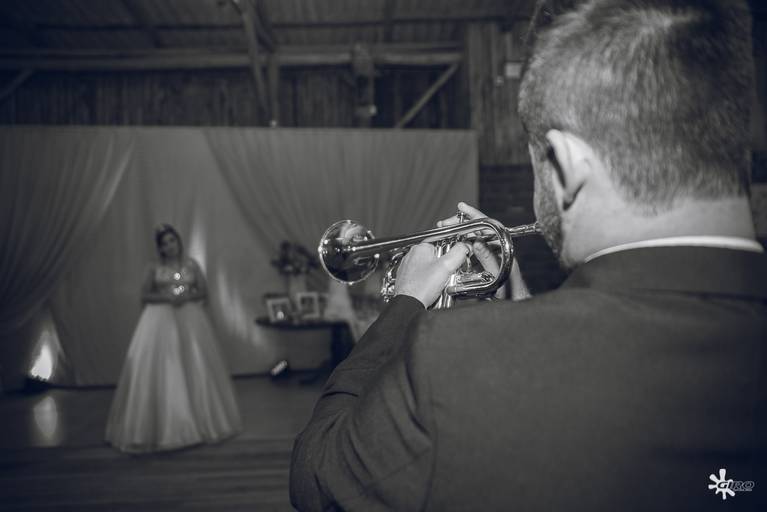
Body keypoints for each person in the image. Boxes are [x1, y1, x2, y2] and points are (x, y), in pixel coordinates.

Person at [290, 0, 767, 510]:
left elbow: (315, 477)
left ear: (566, 164)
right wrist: (523, 311)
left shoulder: (448, 357)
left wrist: (404, 305)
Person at [106, 224, 242, 453]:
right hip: (159, 321)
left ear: (179, 241)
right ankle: (163, 427)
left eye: (172, 241)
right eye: (165, 243)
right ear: (160, 248)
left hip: (191, 319)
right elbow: (145, 294)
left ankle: (199, 423)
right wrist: (167, 298)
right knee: (165, 366)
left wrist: (187, 295)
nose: (170, 246)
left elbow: (203, 291)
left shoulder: (191, 265)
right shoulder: (154, 267)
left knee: (195, 364)